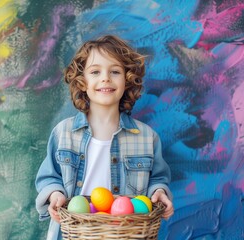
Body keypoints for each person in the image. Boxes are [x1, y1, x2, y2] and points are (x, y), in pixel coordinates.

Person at [35, 35, 174, 239]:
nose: (105, 78)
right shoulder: (63, 133)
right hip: (75, 233)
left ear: (127, 80)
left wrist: (159, 192)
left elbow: (158, 178)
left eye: (115, 71)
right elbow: (49, 176)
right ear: (82, 82)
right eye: (95, 71)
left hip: (127, 233)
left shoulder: (146, 137)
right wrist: (55, 194)